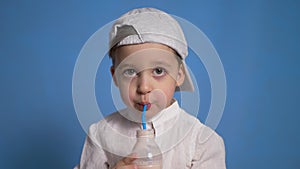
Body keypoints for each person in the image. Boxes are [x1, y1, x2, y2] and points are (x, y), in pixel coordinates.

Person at [74, 7, 226, 169]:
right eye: (130, 71)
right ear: (115, 76)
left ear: (179, 74)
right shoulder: (101, 135)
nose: (144, 87)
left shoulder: (201, 141)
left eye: (158, 71)